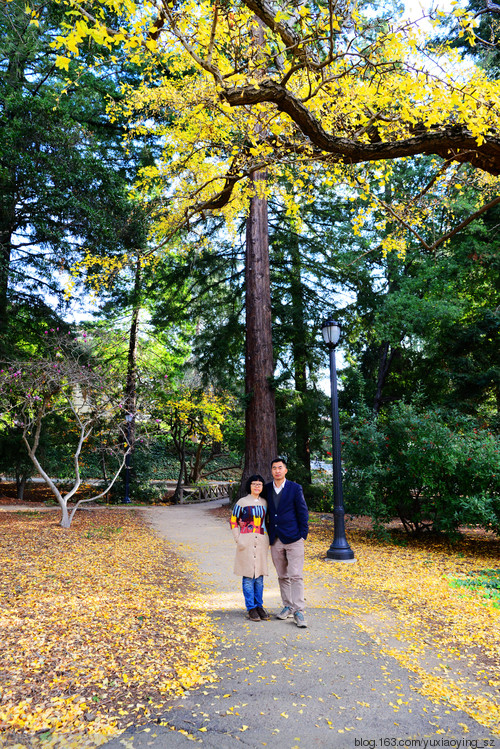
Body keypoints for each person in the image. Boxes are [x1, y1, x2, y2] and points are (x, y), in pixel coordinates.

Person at [265, 458, 309, 628]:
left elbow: (302, 511)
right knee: (282, 575)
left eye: (280, 468)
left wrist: (303, 534)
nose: (277, 470)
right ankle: (287, 606)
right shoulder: (267, 489)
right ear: (271, 471)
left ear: (285, 470)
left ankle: (299, 610)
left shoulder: (295, 488)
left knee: (296, 575)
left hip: (294, 538)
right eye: (274, 468)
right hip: (276, 539)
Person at [230, 474, 271, 622]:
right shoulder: (242, 502)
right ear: (250, 486)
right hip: (245, 540)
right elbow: (233, 521)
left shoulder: (265, 502)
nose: (256, 487)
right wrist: (238, 538)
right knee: (248, 575)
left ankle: (259, 605)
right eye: (254, 484)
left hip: (261, 540)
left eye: (259, 484)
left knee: (259, 576)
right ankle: (251, 607)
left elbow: (268, 521)